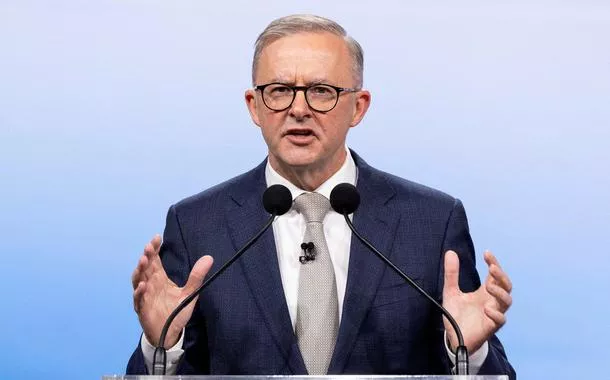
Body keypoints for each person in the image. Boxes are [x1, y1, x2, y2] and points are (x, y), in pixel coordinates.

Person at [127, 14, 515, 378]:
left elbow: (495, 371)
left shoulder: (431, 221)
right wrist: (162, 346)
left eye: (321, 91)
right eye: (279, 91)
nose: (299, 109)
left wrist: (466, 349)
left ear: (358, 107)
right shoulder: (198, 224)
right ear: (255, 106)